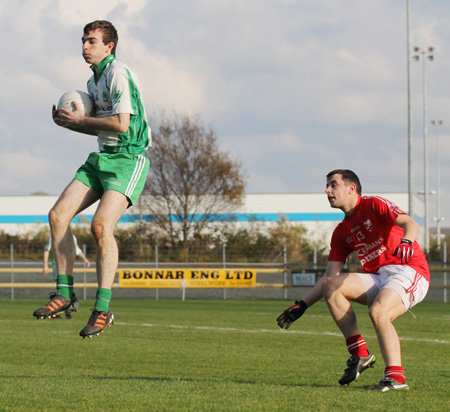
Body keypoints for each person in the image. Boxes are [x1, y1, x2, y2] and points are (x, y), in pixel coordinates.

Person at [33, 20, 151, 339]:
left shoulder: (118, 73)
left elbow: (122, 124)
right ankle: (65, 294)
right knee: (57, 216)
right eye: (83, 41)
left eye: (92, 41)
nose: (85, 46)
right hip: (102, 157)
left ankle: (102, 308)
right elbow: (98, 126)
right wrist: (69, 123)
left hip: (128, 159)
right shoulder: (93, 80)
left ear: (109, 46)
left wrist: (81, 119)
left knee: (100, 226)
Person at [277, 169, 429, 392]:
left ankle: (395, 377)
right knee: (332, 286)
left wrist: (406, 242)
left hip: (409, 270)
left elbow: (411, 223)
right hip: (380, 277)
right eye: (327, 186)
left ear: (351, 188)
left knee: (378, 312)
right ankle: (360, 354)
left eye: (333, 185)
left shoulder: (373, 204)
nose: (327, 190)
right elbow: (329, 277)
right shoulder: (341, 232)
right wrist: (303, 305)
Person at [42, 233, 91, 320]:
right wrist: (45, 265)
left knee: (68, 288)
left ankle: (67, 311)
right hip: (57, 266)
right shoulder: (54, 236)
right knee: (61, 288)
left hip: (68, 266)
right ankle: (56, 311)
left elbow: (77, 250)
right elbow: (47, 250)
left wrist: (85, 259)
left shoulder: (72, 237)